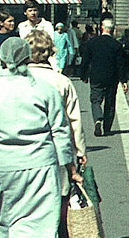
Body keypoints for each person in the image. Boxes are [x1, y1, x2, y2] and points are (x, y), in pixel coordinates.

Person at [0, 37, 79, 238]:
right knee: (30, 227)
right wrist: (69, 166)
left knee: (4, 223)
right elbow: (61, 131)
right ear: (27, 59)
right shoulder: (44, 89)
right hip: (39, 165)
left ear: (0, 59)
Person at [26, 30, 88, 166]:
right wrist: (80, 150)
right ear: (51, 51)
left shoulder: (16, 80)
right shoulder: (62, 81)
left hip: (21, 152)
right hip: (55, 151)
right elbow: (74, 120)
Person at [78, 18, 129, 137]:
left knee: (95, 100)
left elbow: (85, 61)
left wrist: (83, 75)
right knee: (110, 102)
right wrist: (124, 80)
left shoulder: (92, 42)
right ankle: (107, 128)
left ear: (102, 28)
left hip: (96, 76)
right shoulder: (117, 45)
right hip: (112, 77)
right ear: (113, 30)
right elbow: (121, 64)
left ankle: (97, 119)